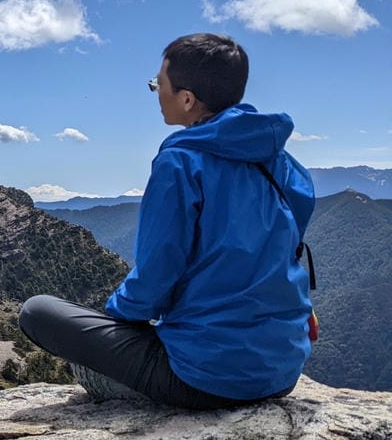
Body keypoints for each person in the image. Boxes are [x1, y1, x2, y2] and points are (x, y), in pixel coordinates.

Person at [18, 33, 315, 409]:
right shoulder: (279, 160)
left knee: (37, 311)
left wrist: (117, 319)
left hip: (205, 379)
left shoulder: (180, 162)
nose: (156, 91)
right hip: (282, 371)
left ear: (187, 99)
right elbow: (291, 242)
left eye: (159, 84)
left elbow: (156, 275)